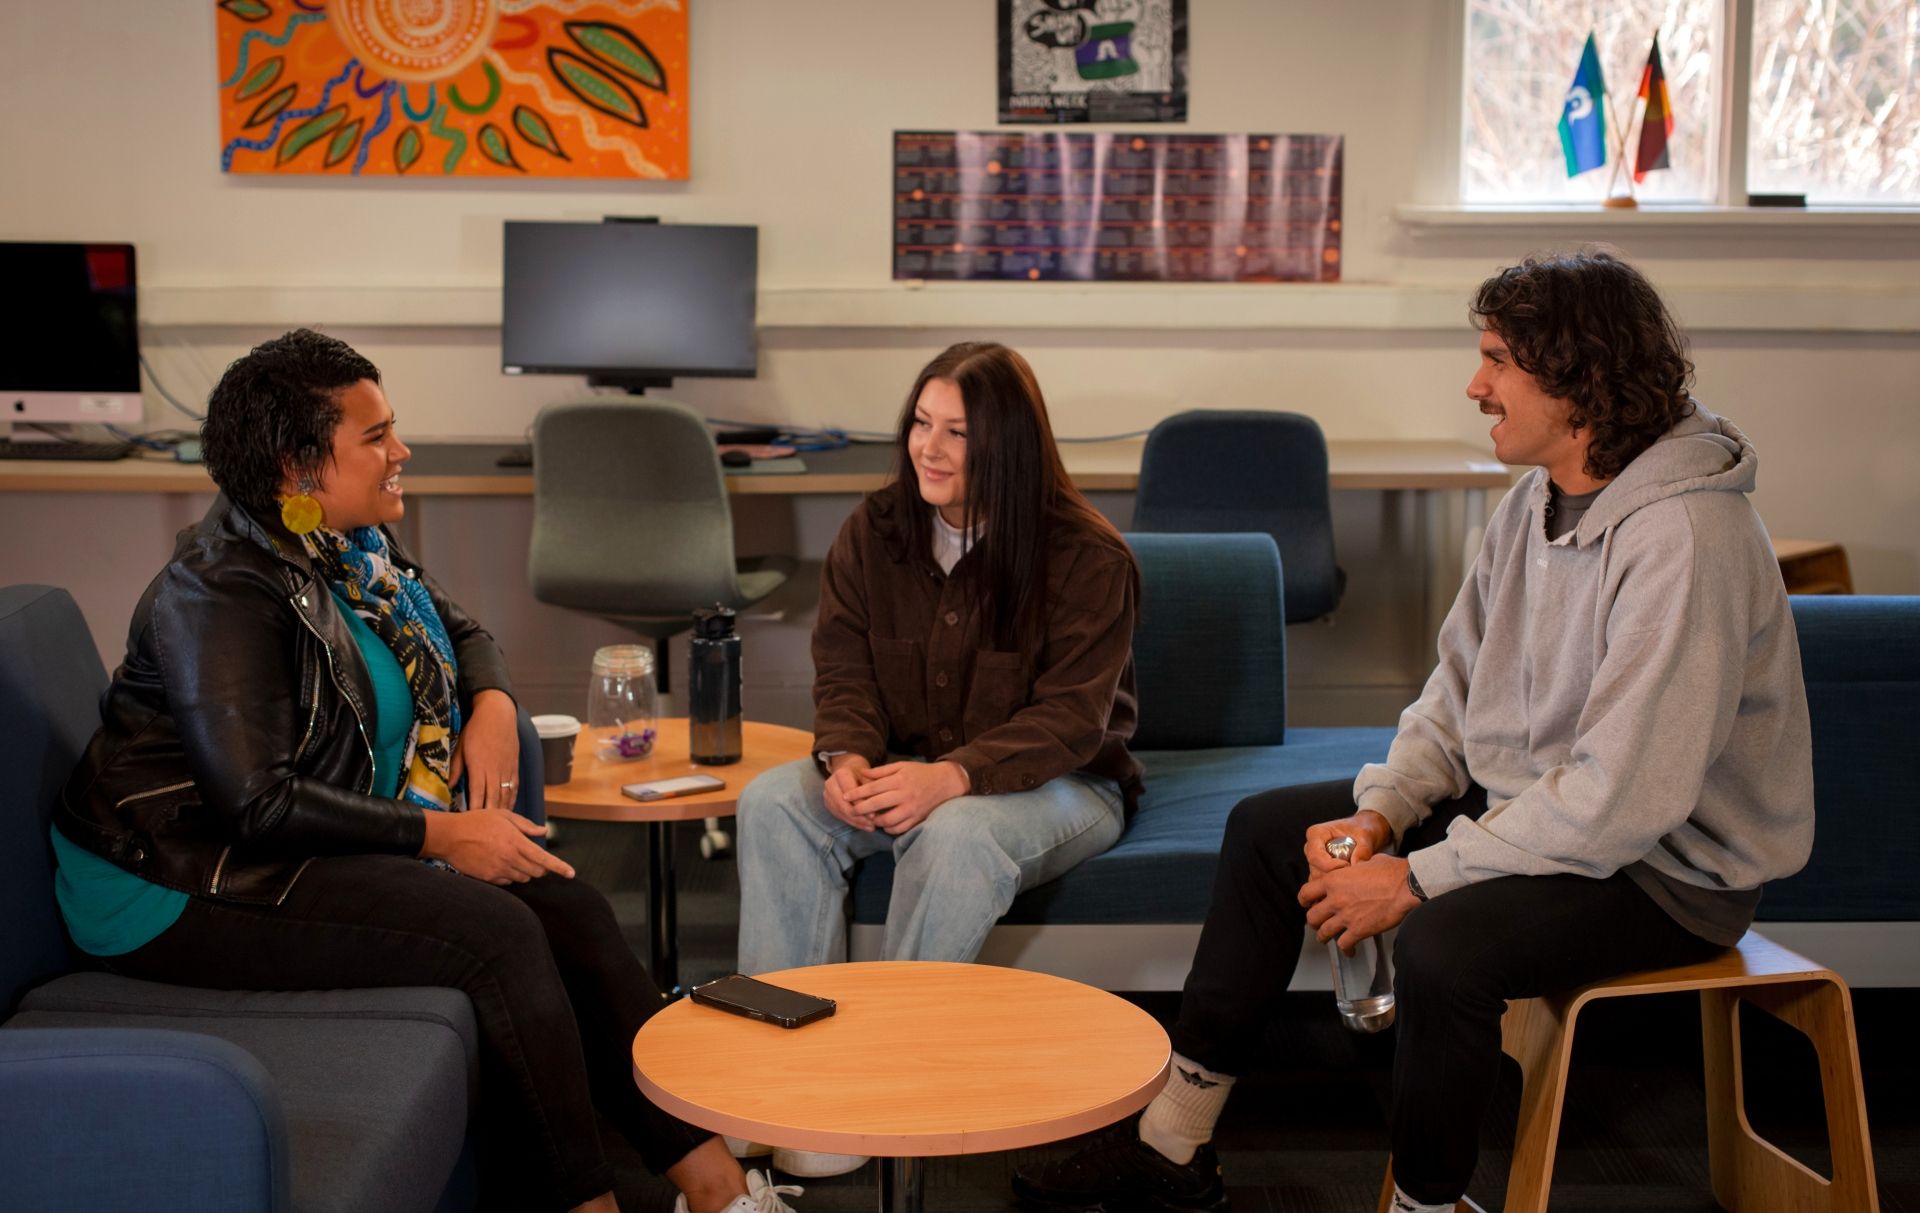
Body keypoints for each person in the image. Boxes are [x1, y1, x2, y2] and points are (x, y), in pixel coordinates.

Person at [1012, 251, 1815, 1213]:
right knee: (1266, 832)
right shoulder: (1531, 504)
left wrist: (1414, 877)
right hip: (1541, 814)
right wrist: (1383, 815)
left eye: (1498, 360)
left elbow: (1622, 800)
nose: (1476, 385)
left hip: (1667, 871)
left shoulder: (1686, 536)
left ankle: (1426, 1205)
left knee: (1443, 946)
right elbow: (1456, 692)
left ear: (1579, 377)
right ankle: (1171, 1144)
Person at [52, 329, 798, 1213]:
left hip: (292, 841)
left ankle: (716, 1188)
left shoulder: (351, 548)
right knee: (498, 931)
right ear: (298, 468)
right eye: (376, 437)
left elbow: (463, 630)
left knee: (572, 906)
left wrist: (493, 705)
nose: (401, 451)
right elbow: (255, 803)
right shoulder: (216, 588)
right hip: (177, 880)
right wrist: (444, 833)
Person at [729, 342, 1141, 1173]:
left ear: (1007, 446)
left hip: (1064, 782)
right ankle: (775, 1083)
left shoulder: (1087, 556)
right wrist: (847, 757)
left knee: (954, 835)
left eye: (958, 432)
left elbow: (1069, 719)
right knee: (771, 801)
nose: (930, 447)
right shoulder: (874, 529)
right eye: (921, 422)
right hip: (906, 769)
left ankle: (875, 1090)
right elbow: (844, 668)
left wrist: (952, 777)